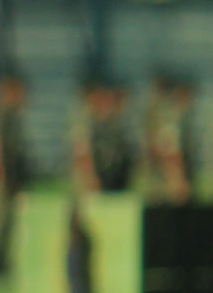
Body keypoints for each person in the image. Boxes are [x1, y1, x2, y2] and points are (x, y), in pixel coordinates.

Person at [0, 69, 30, 279]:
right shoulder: (0, 114)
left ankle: (0, 261)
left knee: (8, 220)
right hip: (2, 176)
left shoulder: (11, 115)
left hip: (10, 175)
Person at [72, 77, 137, 197]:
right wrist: (91, 177)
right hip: (89, 180)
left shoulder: (110, 122)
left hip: (110, 177)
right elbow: (82, 152)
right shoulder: (84, 120)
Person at [144, 72, 197, 205]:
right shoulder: (172, 117)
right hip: (167, 184)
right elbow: (171, 152)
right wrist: (177, 180)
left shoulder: (166, 114)